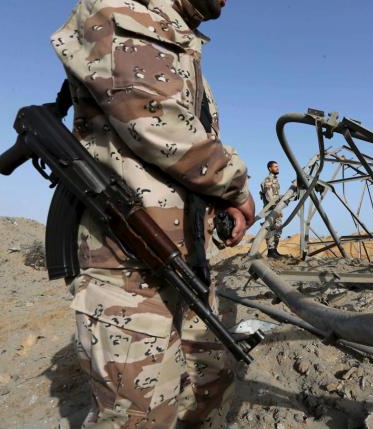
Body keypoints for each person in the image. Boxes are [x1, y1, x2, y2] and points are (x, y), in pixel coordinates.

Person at [51, 0, 254, 427]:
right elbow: (157, 123)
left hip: (186, 261)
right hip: (128, 270)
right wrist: (235, 188)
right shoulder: (121, 11)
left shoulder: (178, 39)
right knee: (136, 416)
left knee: (211, 385)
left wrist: (218, 203)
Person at [260, 161, 286, 259]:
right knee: (271, 229)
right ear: (270, 168)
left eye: (278, 166)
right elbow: (269, 197)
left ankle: (275, 250)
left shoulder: (275, 180)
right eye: (275, 167)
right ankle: (271, 251)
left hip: (276, 209)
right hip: (271, 209)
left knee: (278, 229)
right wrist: (276, 210)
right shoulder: (267, 180)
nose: (277, 168)